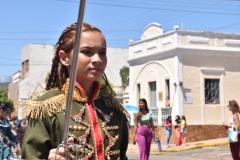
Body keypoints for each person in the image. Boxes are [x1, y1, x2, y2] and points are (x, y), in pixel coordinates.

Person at [19, 22, 130, 160]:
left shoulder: (113, 109)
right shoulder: (45, 108)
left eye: (102, 52)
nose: (97, 59)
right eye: (87, 51)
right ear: (64, 58)